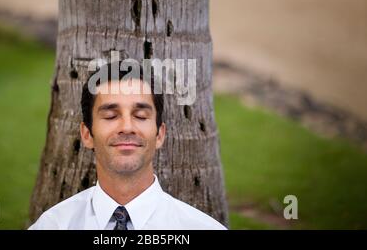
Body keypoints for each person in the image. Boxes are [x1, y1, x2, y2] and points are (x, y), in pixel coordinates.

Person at [29, 61, 227, 230]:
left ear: (159, 134)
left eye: (140, 116)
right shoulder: (53, 225)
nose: (127, 127)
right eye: (111, 116)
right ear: (87, 134)